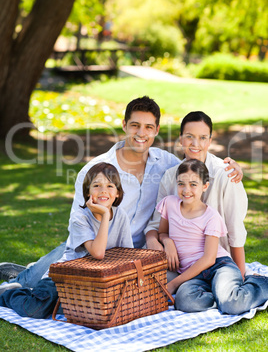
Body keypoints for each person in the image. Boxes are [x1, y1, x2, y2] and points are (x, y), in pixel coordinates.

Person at [0, 99, 242, 291]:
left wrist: (231, 166)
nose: (141, 133)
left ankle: (26, 271)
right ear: (124, 125)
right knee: (43, 287)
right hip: (97, 249)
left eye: (148, 127)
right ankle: (21, 277)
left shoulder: (166, 163)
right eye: (135, 125)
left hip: (140, 253)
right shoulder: (96, 171)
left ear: (156, 130)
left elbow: (196, 163)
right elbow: (79, 227)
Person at [0, 163, 133, 317]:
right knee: (34, 310)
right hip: (61, 279)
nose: (103, 190)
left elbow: (127, 254)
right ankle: (10, 293)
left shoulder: (120, 215)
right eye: (96, 185)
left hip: (91, 283)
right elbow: (97, 252)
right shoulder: (80, 217)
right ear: (87, 191)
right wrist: (104, 215)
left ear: (117, 193)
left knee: (87, 312)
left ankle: (34, 290)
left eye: (110, 186)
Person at [156, 159, 268, 314]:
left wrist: (174, 284)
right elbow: (162, 232)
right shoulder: (169, 204)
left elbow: (209, 259)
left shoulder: (211, 217)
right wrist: (167, 240)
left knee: (232, 305)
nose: (186, 189)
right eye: (181, 183)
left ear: (205, 186)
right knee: (184, 302)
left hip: (218, 266)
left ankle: (260, 283)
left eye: (193, 184)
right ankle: (221, 295)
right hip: (193, 274)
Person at [145, 111, 248, 277]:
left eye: (202, 137)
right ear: (180, 138)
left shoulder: (226, 174)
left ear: (210, 140)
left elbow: (235, 230)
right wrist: (162, 240)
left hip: (215, 261)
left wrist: (241, 275)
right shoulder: (171, 176)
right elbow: (156, 225)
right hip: (180, 262)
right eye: (189, 136)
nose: (195, 143)